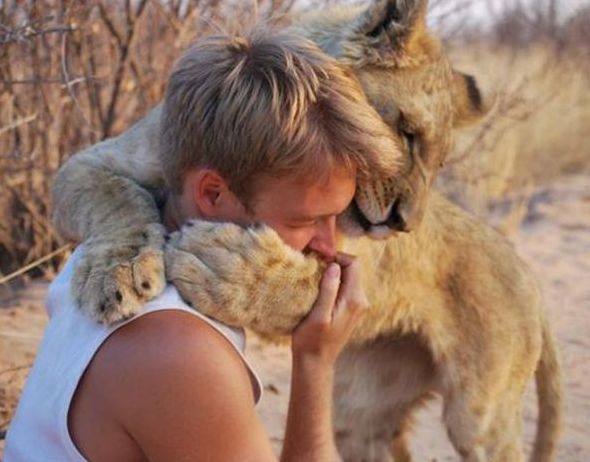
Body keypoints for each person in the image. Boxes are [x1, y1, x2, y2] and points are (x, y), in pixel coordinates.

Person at [5, 28, 397, 461]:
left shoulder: (101, 256)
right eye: (304, 220)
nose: (329, 244)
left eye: (337, 216)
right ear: (212, 194)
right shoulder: (179, 351)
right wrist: (315, 363)